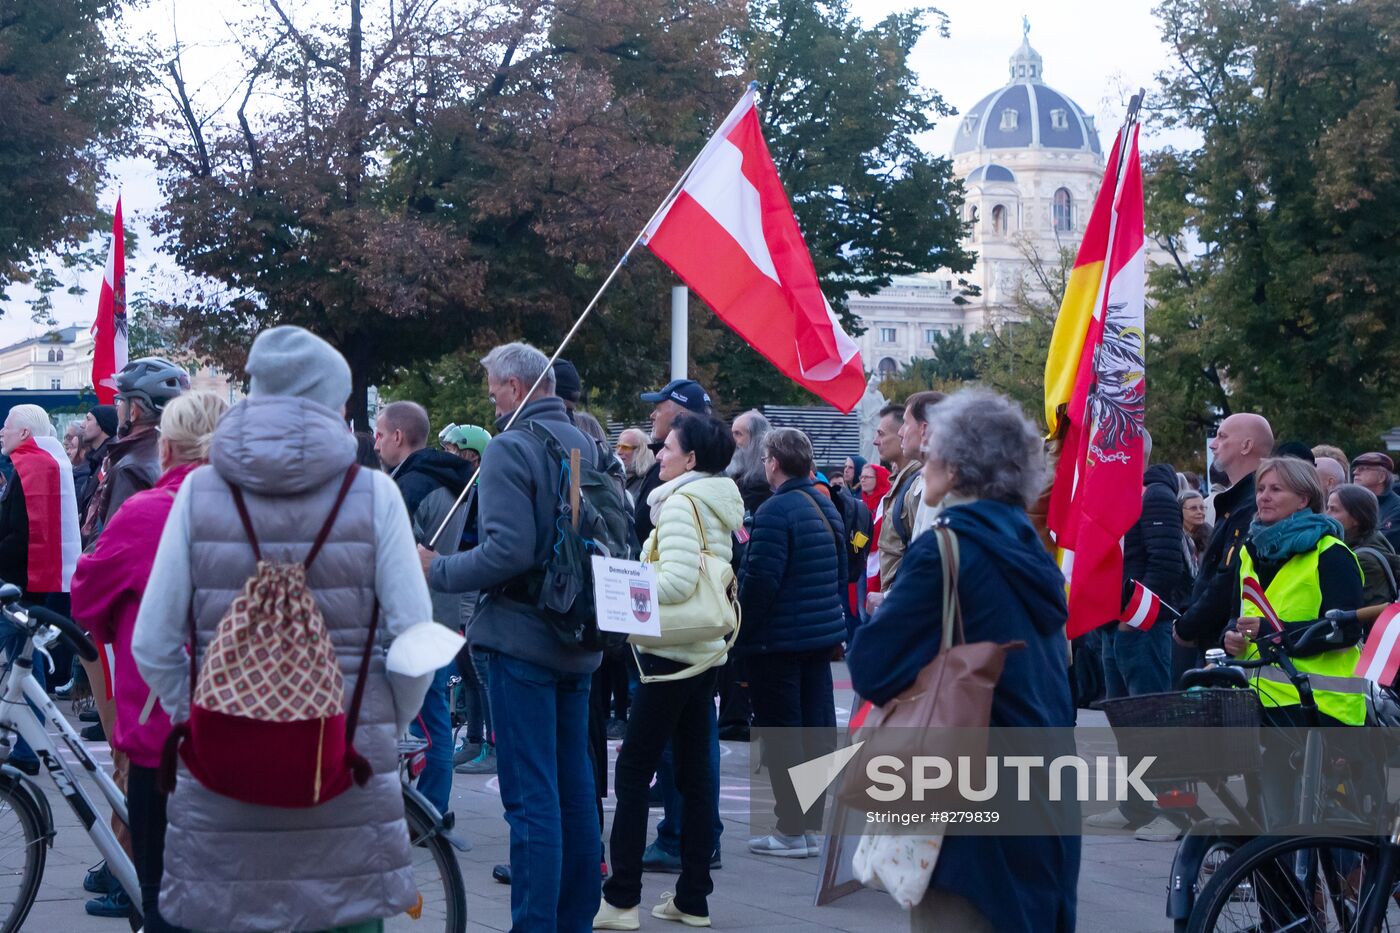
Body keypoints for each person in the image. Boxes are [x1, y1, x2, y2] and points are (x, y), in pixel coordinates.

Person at [131, 325, 439, 933]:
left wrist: (196, 717)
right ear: (337, 404)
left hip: (225, 786)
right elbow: (416, 641)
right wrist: (379, 720)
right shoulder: (374, 495)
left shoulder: (199, 494)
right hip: (344, 779)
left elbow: (152, 641)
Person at [847, 388, 1080, 933]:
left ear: (954, 471)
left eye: (932, 454)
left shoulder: (947, 549)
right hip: (1044, 796)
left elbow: (872, 668)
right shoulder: (1030, 548)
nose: (923, 464)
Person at [423, 342, 605, 931]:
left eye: (495, 387)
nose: (492, 398)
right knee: (575, 790)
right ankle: (574, 919)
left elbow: (507, 551)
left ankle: (533, 924)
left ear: (514, 385)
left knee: (531, 797)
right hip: (578, 635)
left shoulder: (509, 447)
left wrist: (438, 568)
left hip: (523, 636)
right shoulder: (585, 443)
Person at [71, 391, 229, 933]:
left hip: (166, 735)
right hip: (252, 729)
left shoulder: (148, 514)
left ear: (167, 448)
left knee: (164, 898)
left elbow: (87, 598)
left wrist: (122, 623)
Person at [595, 414, 743, 930]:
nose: (659, 453)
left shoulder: (680, 503)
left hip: (669, 658)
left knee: (634, 772)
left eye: (668, 447)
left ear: (692, 459)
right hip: (704, 653)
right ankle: (693, 898)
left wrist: (627, 584)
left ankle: (621, 899)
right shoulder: (716, 500)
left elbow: (678, 582)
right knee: (695, 776)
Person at [1221, 457, 1366, 827]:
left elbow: (1345, 630)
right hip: (1266, 703)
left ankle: (1340, 882)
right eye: (1260, 489)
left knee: (1325, 820)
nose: (1263, 497)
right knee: (1275, 815)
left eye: (1276, 489)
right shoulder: (1251, 551)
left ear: (1303, 500)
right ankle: (1277, 879)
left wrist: (1272, 633)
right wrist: (1232, 638)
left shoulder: (1331, 552)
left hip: (1322, 708)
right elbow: (1239, 615)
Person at [738, 427, 846, 857]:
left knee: (783, 736)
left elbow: (760, 581)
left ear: (775, 463)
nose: (764, 465)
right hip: (818, 640)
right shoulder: (826, 506)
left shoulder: (774, 511)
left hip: (778, 643)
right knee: (815, 732)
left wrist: (740, 631)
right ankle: (807, 829)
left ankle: (789, 829)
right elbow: (841, 575)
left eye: (765, 459)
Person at [375, 400, 471, 816]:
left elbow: (388, 553)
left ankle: (429, 808)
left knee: (428, 719)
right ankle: (432, 803)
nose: (375, 443)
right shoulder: (447, 479)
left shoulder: (410, 487)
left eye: (379, 434)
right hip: (446, 608)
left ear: (398, 436)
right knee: (432, 716)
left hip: (421, 614)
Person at [1092, 443, 1193, 841]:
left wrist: (1135, 617)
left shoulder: (1155, 496)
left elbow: (1165, 564)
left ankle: (1176, 811)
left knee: (1155, 722)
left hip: (1141, 626)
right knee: (1126, 723)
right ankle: (1137, 804)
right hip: (1114, 623)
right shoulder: (1114, 494)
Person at [0, 404, 79, 775]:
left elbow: (18, 535)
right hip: (28, 583)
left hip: (17, 585)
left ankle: (30, 750)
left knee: (24, 662)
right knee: (24, 663)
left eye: (7, 427)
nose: (2, 432)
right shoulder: (38, 464)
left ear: (25, 435)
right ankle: (30, 750)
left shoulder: (28, 468)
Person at [1175, 413, 1274, 656]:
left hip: (1227, 642)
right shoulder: (1237, 501)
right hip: (1219, 636)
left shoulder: (1251, 504)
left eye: (1222, 436)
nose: (1213, 444)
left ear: (1247, 446)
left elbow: (1228, 577)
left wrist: (1188, 625)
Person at [83, 359, 191, 544]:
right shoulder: (174, 456)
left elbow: (114, 547)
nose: (117, 410)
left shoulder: (130, 469)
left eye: (119, 402)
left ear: (133, 411)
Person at [635, 379, 712, 543]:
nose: (652, 416)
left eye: (658, 409)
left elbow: (641, 530)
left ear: (681, 417)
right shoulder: (714, 467)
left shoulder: (672, 469)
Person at [870, 403, 920, 607]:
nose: (875, 441)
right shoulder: (902, 483)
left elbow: (923, 558)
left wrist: (890, 598)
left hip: (905, 606)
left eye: (881, 434)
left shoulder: (918, 487)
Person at [1326, 483, 1400, 606]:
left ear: (1356, 518)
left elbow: (1367, 614)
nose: (1326, 515)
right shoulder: (1373, 538)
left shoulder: (1362, 559)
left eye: (1334, 510)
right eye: (1327, 508)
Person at [899, 390, 946, 540]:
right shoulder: (932, 477)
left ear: (924, 429)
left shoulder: (945, 484)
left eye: (905, 423)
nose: (900, 432)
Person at [727, 410, 772, 516]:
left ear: (756, 438)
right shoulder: (732, 474)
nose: (732, 441)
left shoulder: (769, 479)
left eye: (738, 434)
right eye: (732, 434)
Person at [1351, 452, 1400, 548]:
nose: (1355, 472)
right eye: (1355, 469)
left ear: (1381, 477)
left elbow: (1383, 542)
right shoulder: (1355, 505)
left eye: (1363, 469)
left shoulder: (1397, 508)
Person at [77, 404, 117, 519]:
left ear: (103, 424)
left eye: (88, 419)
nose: (82, 425)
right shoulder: (97, 459)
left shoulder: (109, 461)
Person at [616, 428, 655, 506]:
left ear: (642, 450)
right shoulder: (615, 479)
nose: (619, 452)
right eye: (618, 446)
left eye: (625, 447)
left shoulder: (648, 481)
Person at [1180, 489, 1212, 575]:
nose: (1199, 512)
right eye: (1193, 508)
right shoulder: (1176, 537)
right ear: (1180, 511)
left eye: (1202, 508)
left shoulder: (1212, 534)